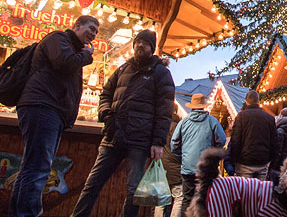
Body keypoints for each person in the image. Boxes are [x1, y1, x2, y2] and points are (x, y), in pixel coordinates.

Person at [71, 29, 175, 217]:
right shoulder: (122, 69)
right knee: (92, 184)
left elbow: (165, 111)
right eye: (138, 42)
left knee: (133, 190)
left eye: (145, 43)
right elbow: (105, 94)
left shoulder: (161, 74)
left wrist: (158, 141)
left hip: (139, 140)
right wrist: (106, 114)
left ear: (151, 48)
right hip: (113, 135)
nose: (140, 45)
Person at [10, 16, 99, 216]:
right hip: (43, 107)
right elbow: (64, 63)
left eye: (96, 32)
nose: (93, 34)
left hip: (49, 109)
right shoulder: (58, 38)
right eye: (91, 28)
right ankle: (28, 213)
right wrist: (88, 56)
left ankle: (18, 213)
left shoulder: (72, 49)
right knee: (39, 168)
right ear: (76, 26)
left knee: (31, 167)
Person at [171, 93, 226, 213]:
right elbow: (221, 140)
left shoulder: (183, 122)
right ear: (203, 107)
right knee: (205, 199)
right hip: (206, 169)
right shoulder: (212, 121)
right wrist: (212, 155)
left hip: (187, 168)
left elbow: (174, 144)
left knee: (187, 199)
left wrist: (183, 157)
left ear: (192, 106)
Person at [230, 90, 278, 180]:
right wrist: (270, 159)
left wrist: (234, 160)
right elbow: (274, 142)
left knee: (245, 192)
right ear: (258, 101)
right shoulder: (269, 118)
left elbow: (235, 140)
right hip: (262, 162)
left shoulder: (240, 117)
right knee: (260, 192)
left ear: (246, 102)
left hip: (244, 162)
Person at [154, 104, 183, 217]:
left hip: (161, 166)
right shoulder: (178, 127)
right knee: (179, 198)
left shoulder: (159, 125)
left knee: (160, 201)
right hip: (175, 167)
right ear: (175, 112)